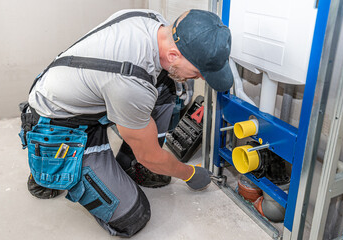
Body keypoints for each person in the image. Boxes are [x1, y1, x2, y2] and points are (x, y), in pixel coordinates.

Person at [19, 9, 233, 237]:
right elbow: (129, 93)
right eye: (198, 72)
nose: (199, 78)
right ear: (173, 55)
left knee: (166, 87)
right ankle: (46, 169)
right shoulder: (130, 85)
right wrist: (189, 173)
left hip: (92, 99)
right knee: (132, 216)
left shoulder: (153, 21)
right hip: (59, 126)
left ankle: (129, 162)